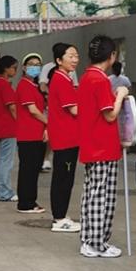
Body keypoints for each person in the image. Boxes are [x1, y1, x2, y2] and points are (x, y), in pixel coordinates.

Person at [77, 35, 130, 258]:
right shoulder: (99, 80)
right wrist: (121, 95)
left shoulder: (87, 77)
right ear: (112, 56)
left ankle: (89, 240)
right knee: (101, 196)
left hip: (92, 144)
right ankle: (97, 243)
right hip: (102, 145)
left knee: (92, 193)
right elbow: (110, 115)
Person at [47, 43, 81, 233]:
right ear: (59, 60)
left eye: (76, 56)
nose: (75, 60)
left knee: (64, 178)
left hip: (66, 137)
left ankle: (60, 215)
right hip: (65, 138)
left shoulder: (63, 78)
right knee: (63, 179)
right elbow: (75, 109)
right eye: (71, 56)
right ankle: (59, 218)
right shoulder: (61, 79)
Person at [15, 53, 47, 213]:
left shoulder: (34, 86)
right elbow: (33, 110)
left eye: (38, 65)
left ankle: (30, 201)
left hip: (36, 134)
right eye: (31, 64)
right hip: (28, 134)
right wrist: (48, 122)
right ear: (24, 67)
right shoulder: (24, 85)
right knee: (28, 169)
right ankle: (25, 203)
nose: (35, 67)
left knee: (33, 169)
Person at [0, 55, 19, 202]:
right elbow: (12, 108)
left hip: (3, 127)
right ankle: (4, 191)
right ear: (6, 69)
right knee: (7, 161)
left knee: (4, 160)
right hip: (9, 128)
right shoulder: (4, 85)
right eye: (13, 68)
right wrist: (20, 123)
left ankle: (2, 190)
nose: (15, 71)